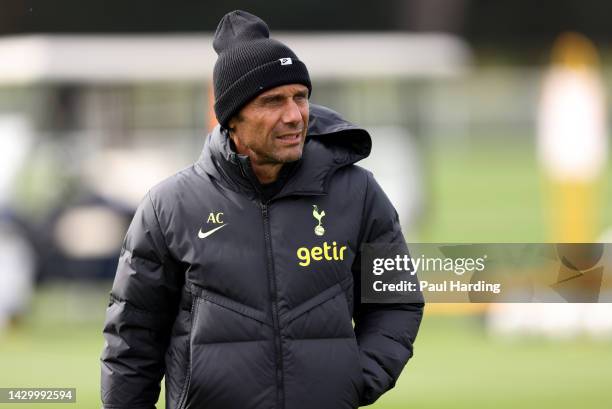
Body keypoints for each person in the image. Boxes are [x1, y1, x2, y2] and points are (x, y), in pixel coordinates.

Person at [101, 10, 424, 409]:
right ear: (232, 118)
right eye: (272, 101)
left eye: (300, 97)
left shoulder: (358, 193)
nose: (294, 116)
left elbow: (397, 299)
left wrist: (355, 380)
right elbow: (132, 340)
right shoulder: (169, 207)